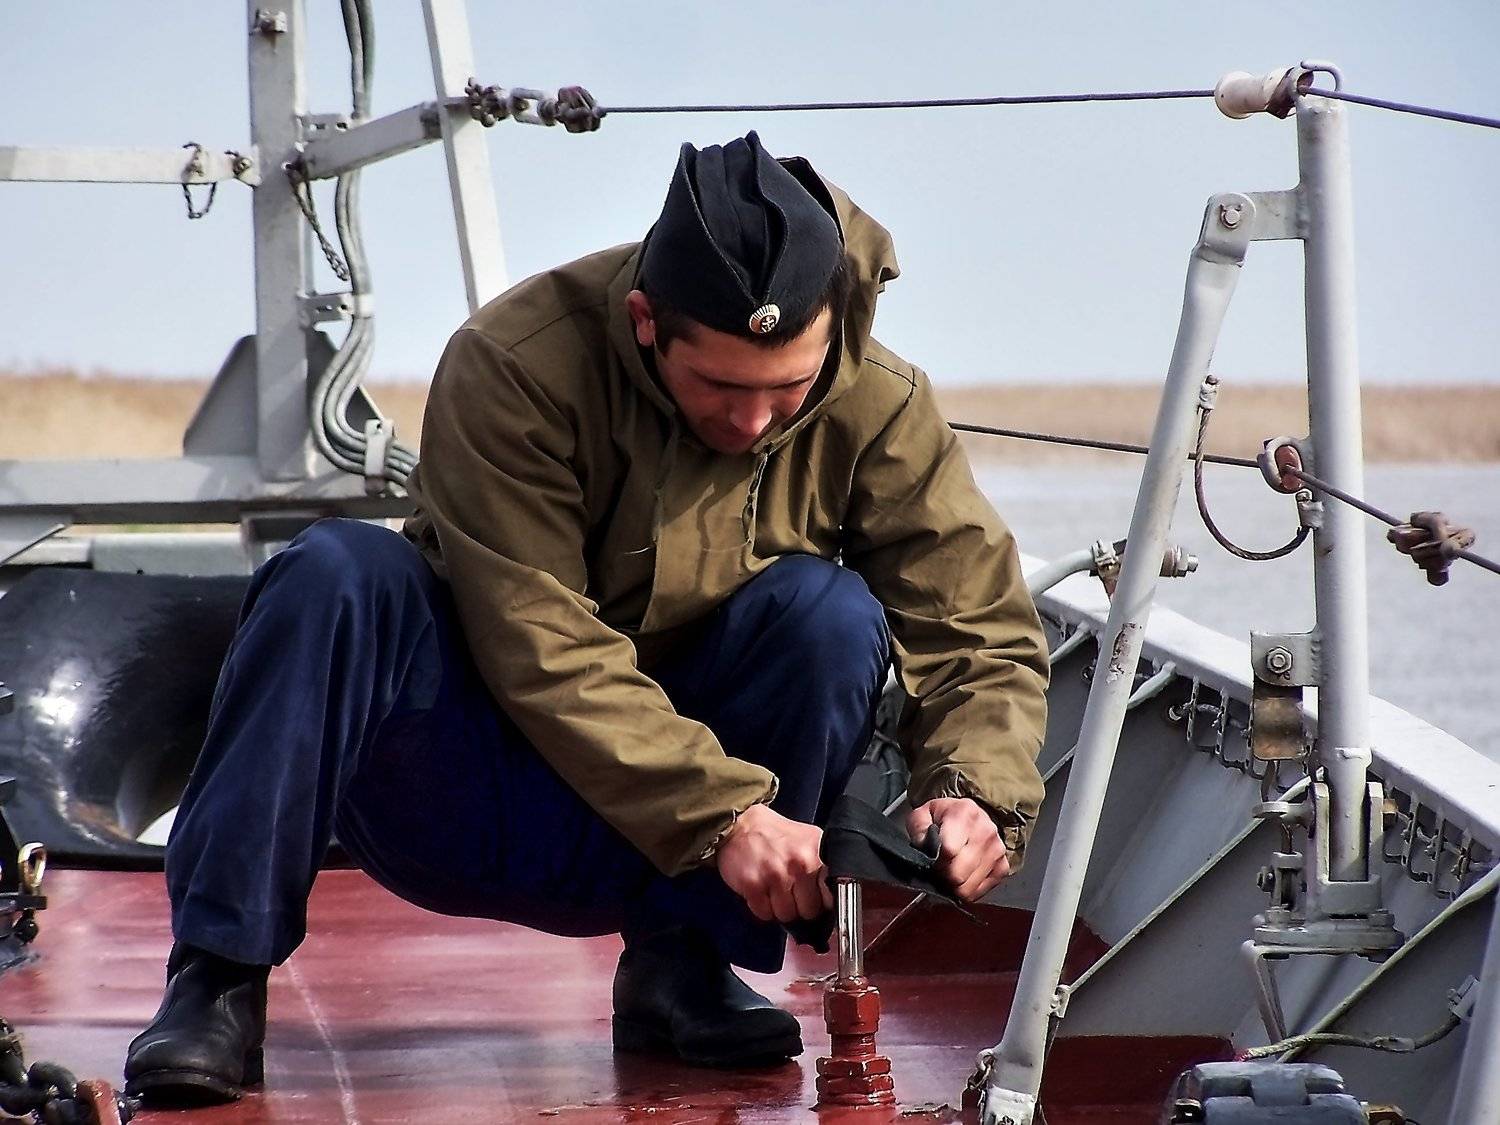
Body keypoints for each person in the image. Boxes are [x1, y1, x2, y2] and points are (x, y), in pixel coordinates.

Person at [122, 132, 1048, 1104]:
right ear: (647, 321)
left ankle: (682, 968)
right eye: (722, 387)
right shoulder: (515, 363)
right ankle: (217, 979)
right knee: (333, 572)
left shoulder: (879, 404)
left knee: (831, 614)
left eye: (789, 389)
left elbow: (977, 626)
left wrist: (972, 791)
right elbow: (540, 644)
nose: (753, 423)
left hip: (674, 846)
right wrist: (725, 814)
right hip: (460, 793)